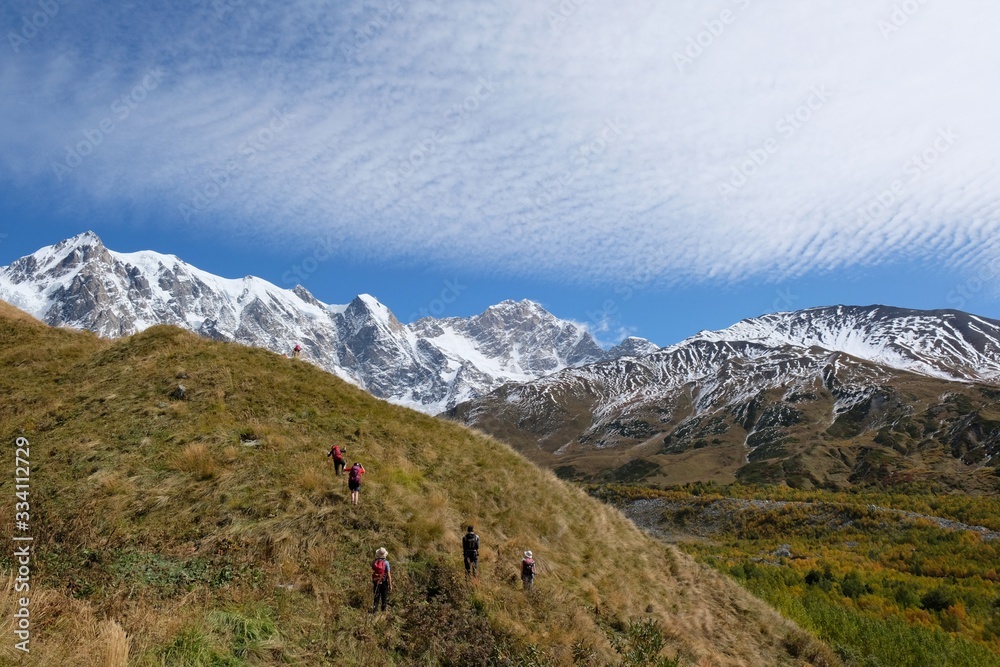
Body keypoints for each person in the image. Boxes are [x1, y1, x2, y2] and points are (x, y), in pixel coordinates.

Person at [371, 547, 393, 612]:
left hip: (376, 581)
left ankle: (375, 611)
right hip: (384, 582)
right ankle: (383, 612)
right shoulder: (386, 563)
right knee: (384, 597)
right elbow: (388, 575)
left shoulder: (374, 562)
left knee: (376, 597)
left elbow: (372, 571)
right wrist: (390, 584)